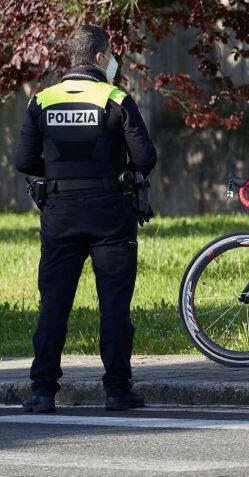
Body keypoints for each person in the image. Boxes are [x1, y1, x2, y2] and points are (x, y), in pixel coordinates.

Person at [13, 24, 157, 413]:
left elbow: (24, 161)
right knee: (113, 304)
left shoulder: (42, 99)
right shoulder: (114, 97)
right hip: (110, 211)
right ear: (98, 59)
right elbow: (145, 158)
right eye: (110, 54)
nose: (113, 61)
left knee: (54, 304)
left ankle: (42, 391)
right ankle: (116, 389)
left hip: (59, 211)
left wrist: (60, 172)